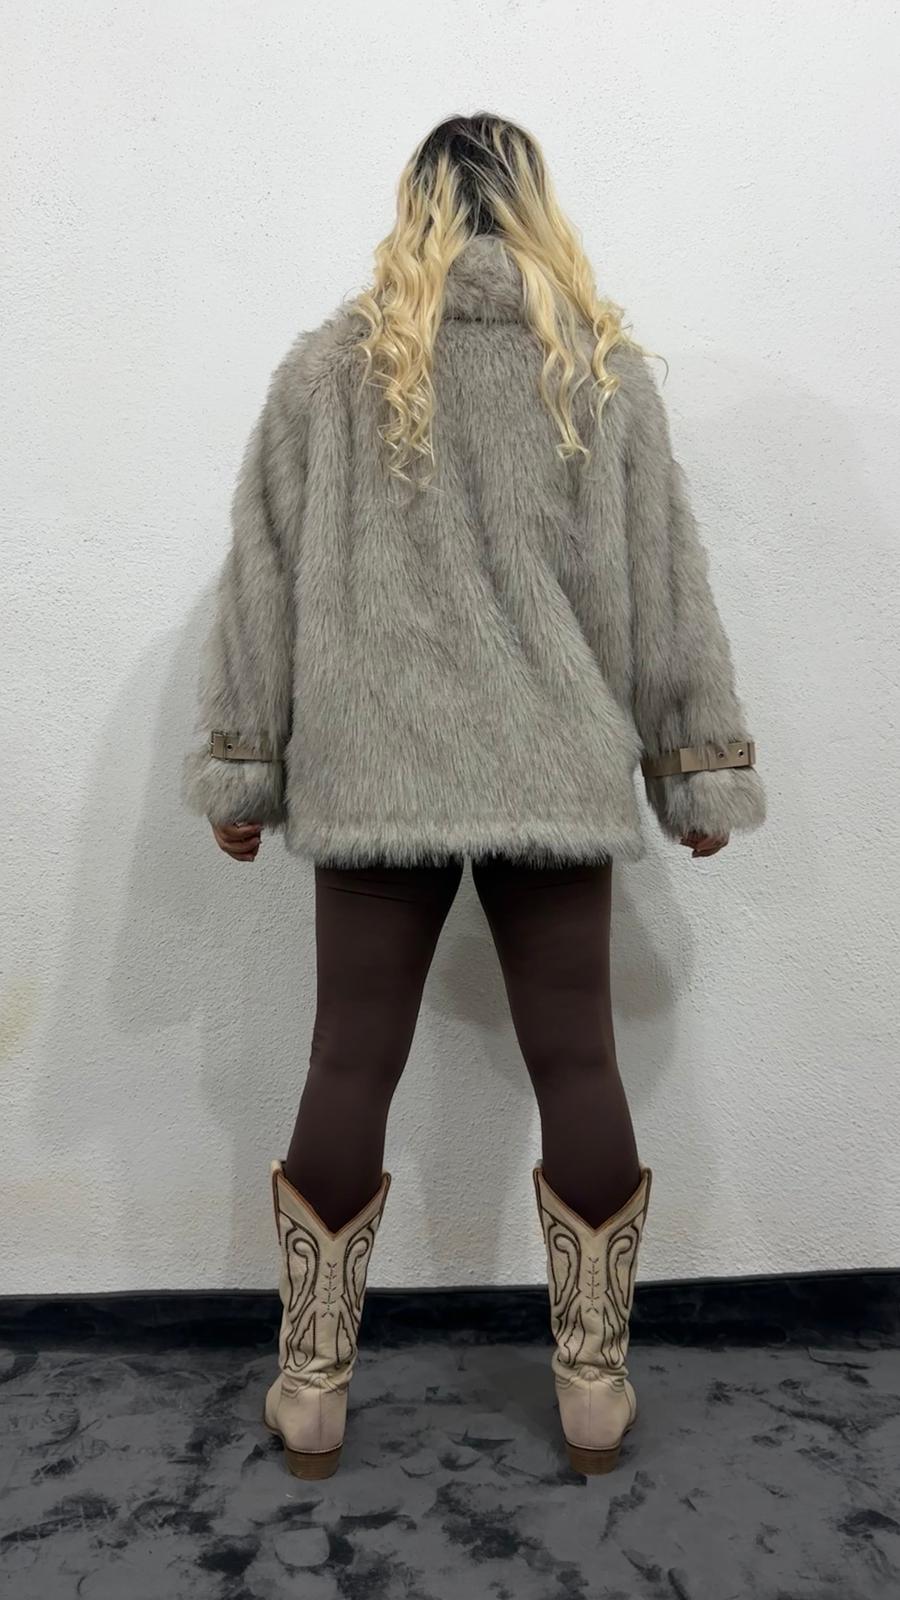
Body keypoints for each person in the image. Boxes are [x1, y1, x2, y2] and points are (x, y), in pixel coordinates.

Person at [184, 112, 766, 1481]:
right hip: (553, 765)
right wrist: (697, 765)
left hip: (374, 766)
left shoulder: (331, 371)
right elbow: (666, 586)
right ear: (534, 206)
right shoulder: (597, 372)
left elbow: (264, 578)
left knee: (347, 1061)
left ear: (415, 207)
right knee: (581, 1063)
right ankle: (594, 1396)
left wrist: (246, 760)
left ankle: (312, 1395)